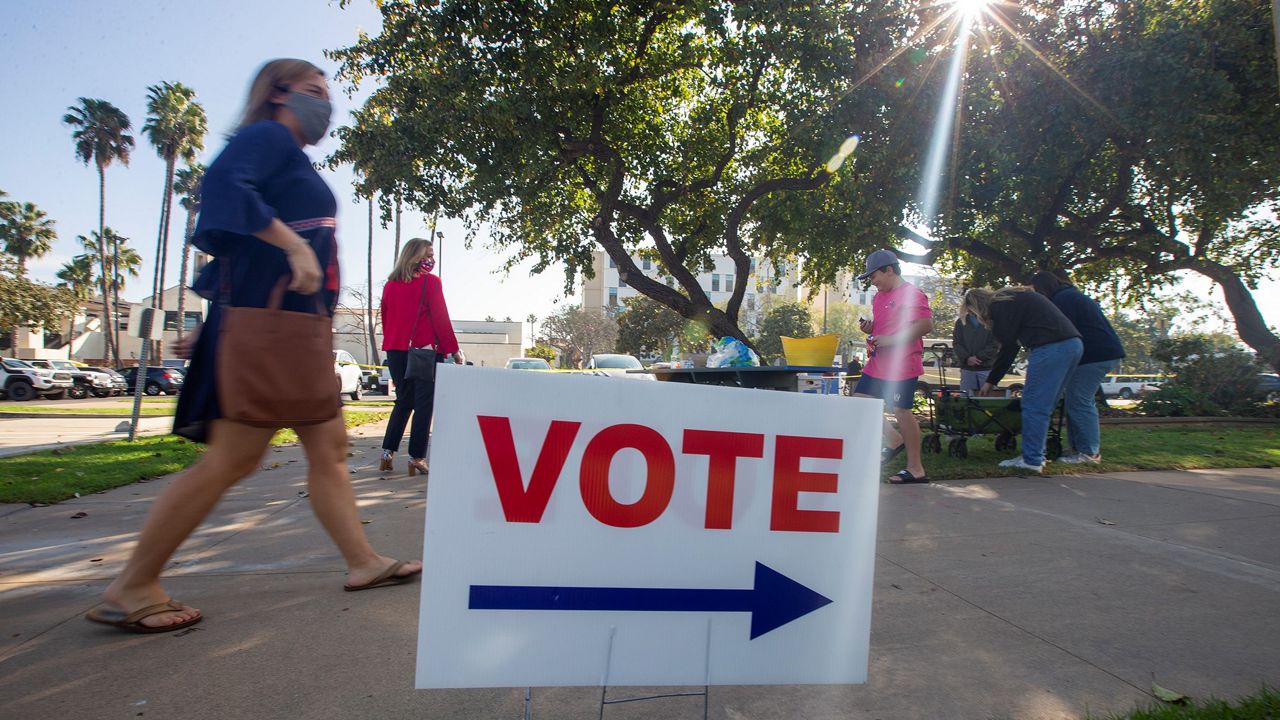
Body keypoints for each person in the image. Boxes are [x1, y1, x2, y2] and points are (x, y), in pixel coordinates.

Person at [86, 59, 422, 635]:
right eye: (314, 91)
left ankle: (363, 560)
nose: (325, 103)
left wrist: (212, 318)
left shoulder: (288, 155)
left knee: (329, 446)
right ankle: (133, 584)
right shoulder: (267, 137)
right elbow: (222, 192)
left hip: (291, 328)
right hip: (277, 330)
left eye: (328, 92)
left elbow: (237, 251)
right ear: (278, 95)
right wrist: (293, 246)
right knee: (237, 457)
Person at [965, 286, 1083, 474]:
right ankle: (1036, 454)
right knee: (1045, 405)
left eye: (973, 312)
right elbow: (1011, 345)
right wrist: (992, 380)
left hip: (1050, 347)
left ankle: (1032, 459)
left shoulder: (999, 307)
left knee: (1033, 404)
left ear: (977, 306)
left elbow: (1008, 346)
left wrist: (991, 381)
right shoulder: (1013, 298)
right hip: (1072, 345)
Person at [379, 238, 461, 475]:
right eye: (428, 254)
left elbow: (386, 317)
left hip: (395, 349)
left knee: (403, 401)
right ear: (415, 256)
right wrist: (452, 349)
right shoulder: (431, 283)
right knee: (423, 404)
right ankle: (416, 457)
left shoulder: (391, 285)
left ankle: (387, 452)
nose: (431, 259)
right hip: (423, 351)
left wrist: (394, 341)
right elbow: (440, 318)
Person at [851, 249, 934, 484]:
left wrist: (891, 340)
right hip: (878, 362)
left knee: (901, 410)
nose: (872, 282)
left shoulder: (912, 294)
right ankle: (894, 440)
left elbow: (925, 324)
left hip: (903, 363)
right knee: (861, 402)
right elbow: (885, 326)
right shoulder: (879, 297)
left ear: (889, 270)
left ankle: (916, 469)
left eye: (874, 276)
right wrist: (871, 329)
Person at [1030, 271, 1125, 464]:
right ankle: (1078, 448)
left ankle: (1089, 452)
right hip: (1098, 353)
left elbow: (1062, 332)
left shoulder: (1063, 300)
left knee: (1080, 400)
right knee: (1074, 399)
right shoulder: (1069, 296)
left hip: (1094, 355)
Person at [952, 304, 1000, 393]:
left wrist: (978, 357)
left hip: (987, 368)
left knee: (989, 399)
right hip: (967, 369)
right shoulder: (961, 322)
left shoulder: (993, 322)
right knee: (967, 400)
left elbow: (995, 344)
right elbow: (957, 343)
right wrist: (967, 358)